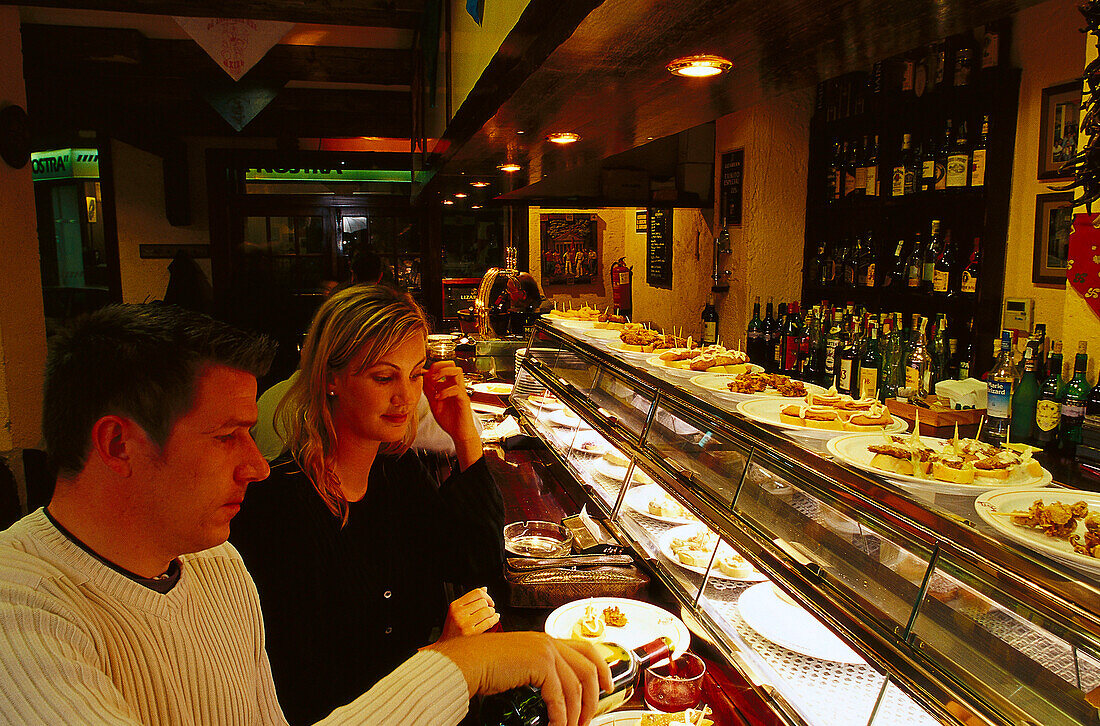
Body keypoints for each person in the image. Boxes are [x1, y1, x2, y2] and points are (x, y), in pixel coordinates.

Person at [0, 302, 610, 725]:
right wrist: (457, 667)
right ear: (117, 444)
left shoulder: (216, 568)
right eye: (227, 436)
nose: (259, 464)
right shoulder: (21, 607)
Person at [230, 285, 506, 725]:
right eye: (384, 377)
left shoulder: (396, 473)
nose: (406, 397)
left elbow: (477, 559)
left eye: (416, 375)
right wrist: (438, 658)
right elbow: (307, 694)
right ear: (330, 379)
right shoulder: (275, 510)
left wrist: (465, 435)